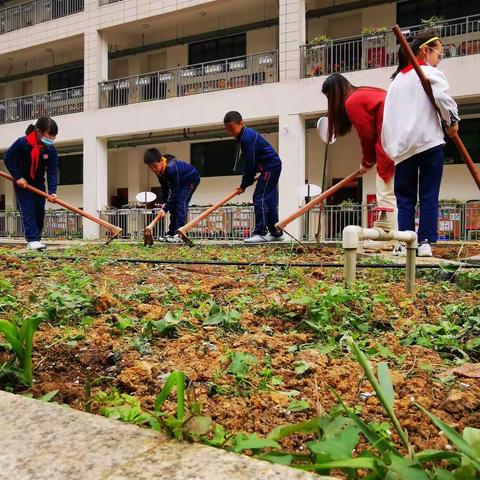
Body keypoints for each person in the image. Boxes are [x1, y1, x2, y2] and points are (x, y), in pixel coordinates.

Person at [382, 31, 459, 257]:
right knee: (428, 195)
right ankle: (424, 241)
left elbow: (389, 118)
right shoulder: (429, 72)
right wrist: (452, 120)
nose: (438, 59)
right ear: (426, 51)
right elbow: (444, 99)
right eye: (439, 53)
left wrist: (391, 149)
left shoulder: (396, 81)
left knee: (404, 198)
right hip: (429, 143)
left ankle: (404, 241)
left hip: (403, 149)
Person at [321, 73, 396, 250]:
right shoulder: (364, 92)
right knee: (393, 192)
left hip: (390, 140)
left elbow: (367, 135)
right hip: (400, 136)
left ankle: (389, 239)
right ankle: (396, 238)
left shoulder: (352, 101)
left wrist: (367, 161)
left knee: (385, 193)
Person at [223, 111, 283, 243]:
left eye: (232, 129)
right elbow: (253, 164)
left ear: (241, 124)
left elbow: (250, 164)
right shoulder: (244, 136)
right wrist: (246, 182)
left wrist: (244, 184)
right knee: (269, 200)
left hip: (270, 167)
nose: (231, 133)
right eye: (228, 130)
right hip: (270, 167)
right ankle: (276, 232)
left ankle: (260, 233)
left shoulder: (247, 138)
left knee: (259, 198)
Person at [4, 117, 58, 251]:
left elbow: (52, 171)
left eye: (54, 136)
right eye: (49, 134)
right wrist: (18, 177)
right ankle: (32, 240)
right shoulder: (22, 143)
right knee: (28, 209)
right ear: (39, 131)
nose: (51, 138)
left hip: (39, 183)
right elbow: (8, 159)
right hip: (23, 182)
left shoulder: (50, 149)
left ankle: (36, 239)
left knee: (39, 211)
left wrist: (52, 192)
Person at [143, 148, 200, 243]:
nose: (153, 169)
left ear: (161, 161)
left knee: (180, 202)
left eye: (155, 166)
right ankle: (171, 233)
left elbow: (174, 192)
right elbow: (165, 189)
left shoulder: (171, 169)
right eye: (150, 167)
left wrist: (165, 209)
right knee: (172, 206)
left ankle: (179, 234)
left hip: (190, 179)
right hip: (180, 183)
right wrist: (166, 204)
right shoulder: (159, 172)